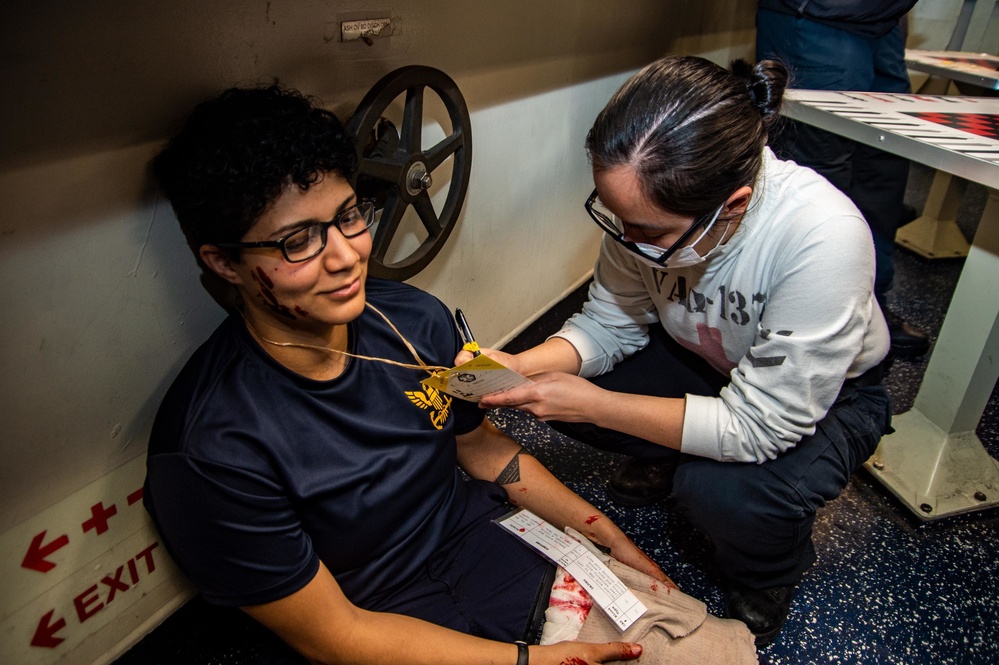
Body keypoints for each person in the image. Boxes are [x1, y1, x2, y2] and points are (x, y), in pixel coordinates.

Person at [143, 85, 757, 665]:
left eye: (349, 215)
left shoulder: (415, 319)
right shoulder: (209, 448)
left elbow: (485, 451)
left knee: (700, 641)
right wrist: (532, 661)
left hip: (494, 545)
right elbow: (336, 638)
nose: (346, 255)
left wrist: (606, 536)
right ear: (224, 262)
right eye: (297, 242)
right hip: (395, 626)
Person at [470, 56, 894, 647]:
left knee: (723, 492)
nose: (626, 239)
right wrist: (522, 366)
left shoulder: (823, 236)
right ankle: (672, 451)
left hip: (828, 396)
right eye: (616, 217)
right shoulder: (642, 213)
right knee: (569, 393)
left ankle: (768, 574)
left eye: (650, 232)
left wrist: (594, 405)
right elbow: (610, 322)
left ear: (735, 205)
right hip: (708, 358)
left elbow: (761, 426)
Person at [756, 0, 929, 357]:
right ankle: (796, 314)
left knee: (884, 166)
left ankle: (865, 308)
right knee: (817, 174)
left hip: (882, 19)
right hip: (818, 14)